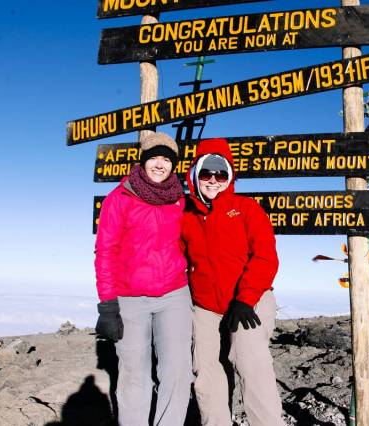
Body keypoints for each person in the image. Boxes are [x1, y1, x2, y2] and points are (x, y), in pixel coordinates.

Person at [181, 138, 286, 426]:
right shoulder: (186, 215)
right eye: (206, 173)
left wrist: (245, 297)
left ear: (230, 176)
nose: (213, 180)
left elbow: (266, 257)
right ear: (195, 175)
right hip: (206, 307)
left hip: (249, 301)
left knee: (250, 364)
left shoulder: (246, 208)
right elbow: (176, 259)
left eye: (220, 174)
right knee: (206, 373)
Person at [94, 132, 192, 426]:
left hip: (174, 295)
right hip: (130, 299)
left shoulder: (179, 199)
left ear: (174, 165)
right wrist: (107, 306)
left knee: (177, 371)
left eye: (167, 159)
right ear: (143, 160)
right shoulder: (120, 197)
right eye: (154, 157)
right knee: (134, 374)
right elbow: (105, 251)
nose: (160, 164)